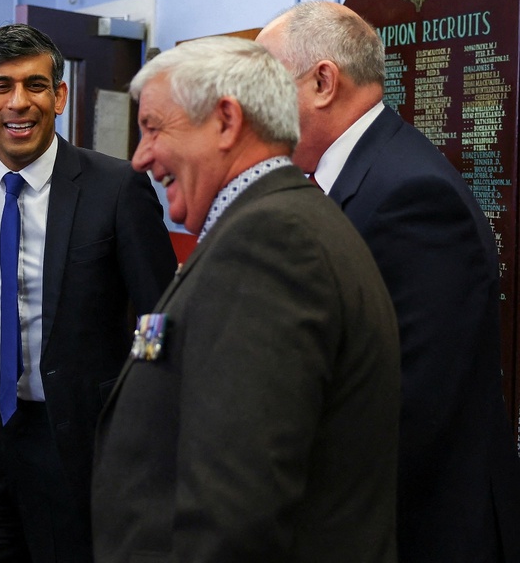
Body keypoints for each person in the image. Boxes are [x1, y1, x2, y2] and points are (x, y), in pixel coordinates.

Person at [92, 35, 402, 561]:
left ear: (226, 121)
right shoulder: (274, 222)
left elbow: (234, 507)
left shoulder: (271, 243)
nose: (140, 158)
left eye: (152, 129)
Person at [0, 23, 178, 562]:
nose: (19, 103)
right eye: (2, 86)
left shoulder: (115, 187)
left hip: (79, 441)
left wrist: (144, 415)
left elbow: (160, 316)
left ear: (60, 95)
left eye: (35, 85)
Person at [257, 0, 520, 563]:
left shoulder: (410, 196)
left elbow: (412, 401)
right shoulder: (357, 175)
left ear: (323, 81)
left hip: (423, 530)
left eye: (266, 85)